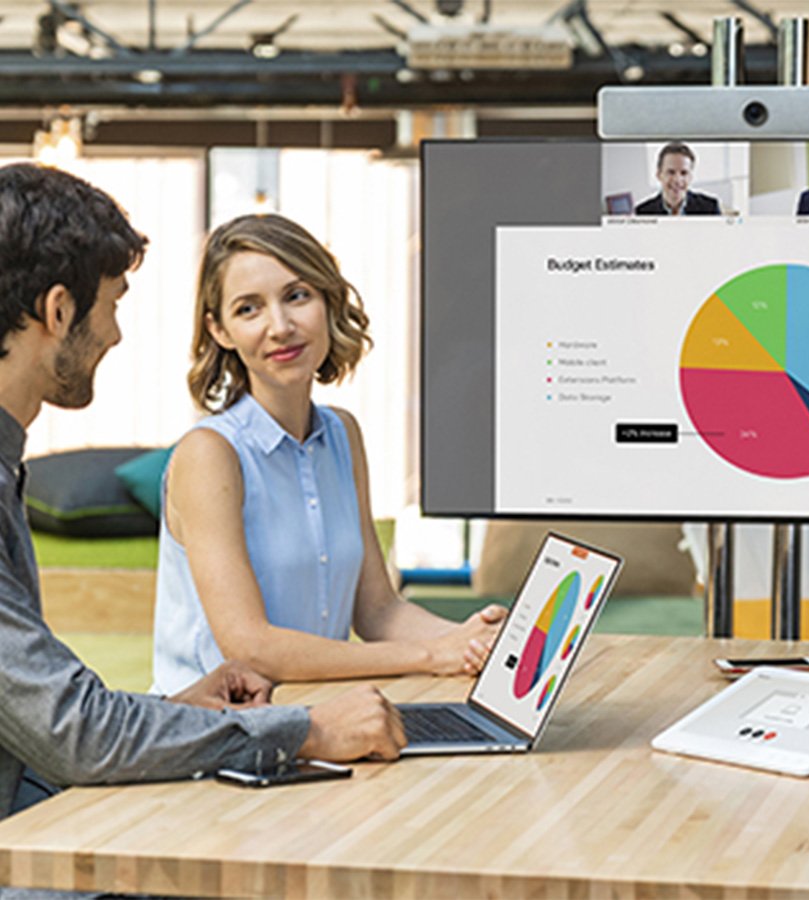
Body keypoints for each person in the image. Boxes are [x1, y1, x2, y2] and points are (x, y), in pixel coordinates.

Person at [0, 162, 406, 820]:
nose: (116, 333)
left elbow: (43, 720)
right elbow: (72, 730)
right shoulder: (210, 451)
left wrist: (172, 715)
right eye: (114, 305)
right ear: (58, 309)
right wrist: (304, 730)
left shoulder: (7, 465)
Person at [152, 214, 505, 694]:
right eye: (249, 309)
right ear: (220, 331)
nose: (280, 326)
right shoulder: (210, 453)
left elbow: (378, 611)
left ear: (326, 300)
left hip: (321, 720)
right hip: (214, 737)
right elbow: (249, 647)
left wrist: (477, 640)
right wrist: (430, 657)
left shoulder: (342, 434)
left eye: (297, 296)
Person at [635, 142, 722, 216]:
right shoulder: (642, 212)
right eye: (671, 172)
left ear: (690, 177)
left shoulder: (710, 208)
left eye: (684, 173)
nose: (677, 180)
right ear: (659, 175)